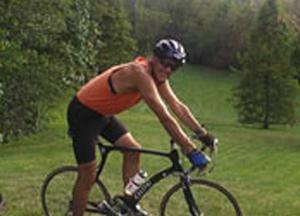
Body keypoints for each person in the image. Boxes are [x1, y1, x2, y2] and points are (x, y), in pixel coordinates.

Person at [67, 39, 217, 216]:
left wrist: (202, 133)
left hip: (103, 114)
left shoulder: (158, 76)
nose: (168, 70)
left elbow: (177, 106)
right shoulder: (140, 73)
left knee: (133, 150)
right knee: (88, 175)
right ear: (154, 58)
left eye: (174, 67)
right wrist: (190, 150)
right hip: (83, 114)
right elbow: (164, 116)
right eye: (166, 63)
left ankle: (128, 203)